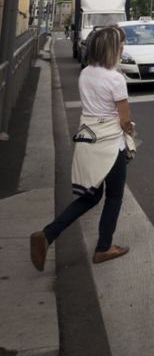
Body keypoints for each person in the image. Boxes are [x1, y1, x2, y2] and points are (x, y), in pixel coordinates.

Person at [30, 26, 133, 271]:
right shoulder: (116, 79)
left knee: (90, 196)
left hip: (88, 140)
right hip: (110, 144)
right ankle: (103, 248)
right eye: (120, 44)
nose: (122, 48)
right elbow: (124, 120)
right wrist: (131, 134)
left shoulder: (86, 73)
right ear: (113, 49)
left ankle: (47, 234)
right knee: (114, 195)